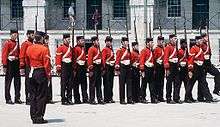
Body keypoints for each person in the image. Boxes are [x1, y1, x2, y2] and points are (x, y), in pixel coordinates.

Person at [26, 31, 51, 124]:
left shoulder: (29, 48)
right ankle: (39, 116)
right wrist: (48, 75)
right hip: (41, 72)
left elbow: (27, 60)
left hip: (32, 72)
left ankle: (33, 116)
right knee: (41, 96)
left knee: (33, 95)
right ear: (41, 39)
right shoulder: (44, 49)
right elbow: (47, 64)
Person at [185, 36, 215, 103]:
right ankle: (187, 98)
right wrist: (190, 70)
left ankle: (208, 98)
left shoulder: (202, 48)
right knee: (191, 84)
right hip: (195, 67)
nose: (202, 42)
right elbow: (190, 60)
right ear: (197, 41)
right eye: (200, 40)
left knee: (204, 83)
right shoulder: (193, 48)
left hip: (201, 68)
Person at [2, 29, 22, 104]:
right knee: (8, 82)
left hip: (16, 63)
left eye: (16, 35)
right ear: (11, 35)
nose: (15, 36)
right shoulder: (7, 43)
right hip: (9, 63)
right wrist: (4, 65)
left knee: (17, 82)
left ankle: (17, 97)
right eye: (14, 34)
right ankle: (8, 98)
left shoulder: (17, 43)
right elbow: (4, 54)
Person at [55, 34, 74, 105]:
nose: (69, 41)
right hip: (64, 66)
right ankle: (63, 99)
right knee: (63, 84)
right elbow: (58, 58)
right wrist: (58, 67)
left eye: (69, 39)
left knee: (70, 83)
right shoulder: (60, 48)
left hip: (69, 66)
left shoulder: (71, 48)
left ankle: (69, 98)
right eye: (68, 39)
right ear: (64, 40)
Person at [115, 37, 134, 104]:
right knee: (122, 84)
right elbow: (117, 60)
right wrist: (117, 69)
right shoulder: (120, 50)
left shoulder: (128, 50)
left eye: (127, 42)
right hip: (122, 67)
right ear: (122, 42)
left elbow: (130, 59)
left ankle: (129, 99)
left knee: (129, 83)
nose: (127, 43)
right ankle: (122, 99)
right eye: (126, 42)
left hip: (128, 67)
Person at [164, 34, 181, 104]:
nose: (175, 40)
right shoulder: (168, 47)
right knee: (169, 83)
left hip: (175, 66)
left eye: (176, 39)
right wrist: (167, 68)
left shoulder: (175, 47)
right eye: (174, 39)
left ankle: (176, 98)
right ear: (170, 39)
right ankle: (168, 98)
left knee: (177, 82)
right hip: (170, 66)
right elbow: (165, 58)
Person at [139, 38, 158, 103]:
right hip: (146, 69)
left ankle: (153, 98)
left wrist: (154, 69)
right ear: (147, 43)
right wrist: (142, 70)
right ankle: (142, 98)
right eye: (151, 42)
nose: (152, 44)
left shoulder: (152, 51)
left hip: (151, 69)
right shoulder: (144, 51)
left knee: (152, 85)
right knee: (144, 85)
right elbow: (141, 60)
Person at [87, 36, 104, 104]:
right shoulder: (91, 49)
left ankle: (100, 98)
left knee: (99, 84)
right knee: (92, 84)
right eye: (97, 41)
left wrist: (102, 67)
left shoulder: (98, 49)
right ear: (93, 42)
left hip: (98, 67)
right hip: (93, 67)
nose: (98, 42)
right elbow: (90, 59)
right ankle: (92, 99)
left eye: (98, 41)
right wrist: (90, 70)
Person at [20, 30, 35, 105]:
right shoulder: (25, 44)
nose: (33, 36)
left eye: (33, 35)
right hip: (27, 65)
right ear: (28, 35)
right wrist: (22, 66)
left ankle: (32, 97)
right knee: (28, 82)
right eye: (32, 35)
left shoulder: (33, 44)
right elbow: (22, 55)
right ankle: (28, 98)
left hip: (33, 65)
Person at [73, 36, 89, 104]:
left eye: (83, 40)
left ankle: (85, 98)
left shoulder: (83, 49)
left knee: (84, 84)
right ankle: (77, 99)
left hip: (83, 68)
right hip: (78, 67)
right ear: (78, 41)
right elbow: (74, 59)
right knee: (76, 85)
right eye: (82, 40)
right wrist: (74, 69)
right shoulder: (75, 49)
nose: (83, 42)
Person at [102, 36, 115, 103]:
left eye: (110, 41)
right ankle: (106, 98)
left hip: (111, 67)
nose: (109, 43)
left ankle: (110, 97)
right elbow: (103, 60)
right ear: (106, 42)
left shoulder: (111, 50)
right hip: (106, 67)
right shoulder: (105, 49)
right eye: (108, 41)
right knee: (106, 83)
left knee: (111, 83)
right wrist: (103, 68)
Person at [153, 36, 165, 102]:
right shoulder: (156, 49)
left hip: (162, 67)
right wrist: (154, 69)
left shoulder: (163, 49)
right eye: (160, 41)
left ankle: (161, 96)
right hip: (157, 67)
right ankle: (156, 96)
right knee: (156, 83)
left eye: (162, 41)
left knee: (162, 82)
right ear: (157, 41)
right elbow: (154, 59)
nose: (161, 42)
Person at [43, 34, 54, 104]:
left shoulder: (47, 47)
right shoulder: (43, 47)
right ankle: (45, 98)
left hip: (48, 66)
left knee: (49, 83)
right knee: (45, 83)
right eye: (46, 40)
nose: (47, 41)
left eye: (48, 40)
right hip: (45, 67)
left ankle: (49, 97)